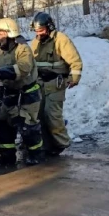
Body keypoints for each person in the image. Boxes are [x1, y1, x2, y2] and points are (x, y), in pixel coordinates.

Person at [0, 18, 43, 167]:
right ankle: (7, 158)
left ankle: (35, 155)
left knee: (28, 128)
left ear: (9, 32)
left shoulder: (23, 49)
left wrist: (0, 71)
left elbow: (23, 69)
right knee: (4, 127)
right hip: (9, 94)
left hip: (27, 95)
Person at [30, 12, 82, 156]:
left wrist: (74, 78)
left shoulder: (61, 40)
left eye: (41, 30)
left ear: (49, 27)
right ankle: (46, 145)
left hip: (56, 84)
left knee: (52, 115)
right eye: (36, 31)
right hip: (39, 84)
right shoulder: (36, 42)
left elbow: (75, 61)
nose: (39, 34)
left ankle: (61, 143)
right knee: (39, 115)